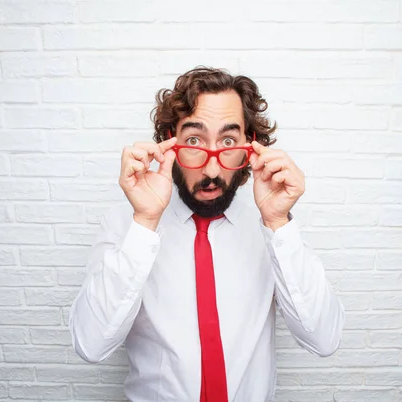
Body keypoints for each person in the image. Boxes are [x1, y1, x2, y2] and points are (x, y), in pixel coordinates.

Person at [69, 67, 345, 402]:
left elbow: (323, 340)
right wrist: (145, 221)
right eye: (194, 140)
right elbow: (91, 345)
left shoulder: (270, 228)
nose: (211, 170)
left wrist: (278, 223)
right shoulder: (128, 225)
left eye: (228, 141)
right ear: (171, 142)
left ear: (250, 148)